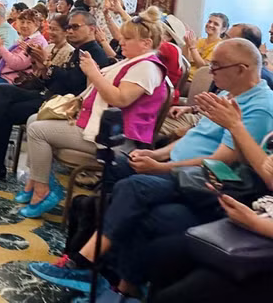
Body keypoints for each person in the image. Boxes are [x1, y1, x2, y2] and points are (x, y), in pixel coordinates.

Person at [30, 38, 273, 297]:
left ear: (242, 69)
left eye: (216, 66)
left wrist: (160, 167)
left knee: (134, 189)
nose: (210, 71)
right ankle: (108, 269)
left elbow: (221, 161)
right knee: (117, 171)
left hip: (204, 180)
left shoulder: (259, 107)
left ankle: (84, 264)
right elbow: (194, 137)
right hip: (178, 166)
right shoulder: (228, 93)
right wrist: (156, 154)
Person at [16, 7, 169, 218]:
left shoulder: (147, 68)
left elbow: (120, 99)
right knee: (34, 119)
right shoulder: (133, 62)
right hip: (101, 126)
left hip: (117, 138)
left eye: (127, 38)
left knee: (37, 131)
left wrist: (93, 73)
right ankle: (35, 181)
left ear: (146, 43)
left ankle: (43, 190)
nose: (121, 41)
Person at [143, 93, 272, 303]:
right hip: (252, 213)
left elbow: (268, 176)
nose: (214, 76)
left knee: (174, 293)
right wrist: (235, 128)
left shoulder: (262, 106)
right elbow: (256, 169)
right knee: (162, 252)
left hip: (261, 237)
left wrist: (254, 222)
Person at [0, 12, 109, 176]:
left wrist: (47, 64)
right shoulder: (79, 50)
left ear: (92, 29)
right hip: (49, 94)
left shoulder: (94, 53)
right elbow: (57, 80)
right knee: (2, 92)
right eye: (69, 27)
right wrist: (42, 68)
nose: (70, 31)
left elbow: (73, 85)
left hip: (63, 104)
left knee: (5, 108)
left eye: (75, 27)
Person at [184, 12, 229, 81]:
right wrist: (187, 43)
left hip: (196, 81)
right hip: (184, 76)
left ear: (223, 30)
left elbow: (203, 68)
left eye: (216, 24)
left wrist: (193, 48)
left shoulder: (220, 46)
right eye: (209, 21)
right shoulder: (199, 40)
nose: (210, 25)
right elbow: (186, 60)